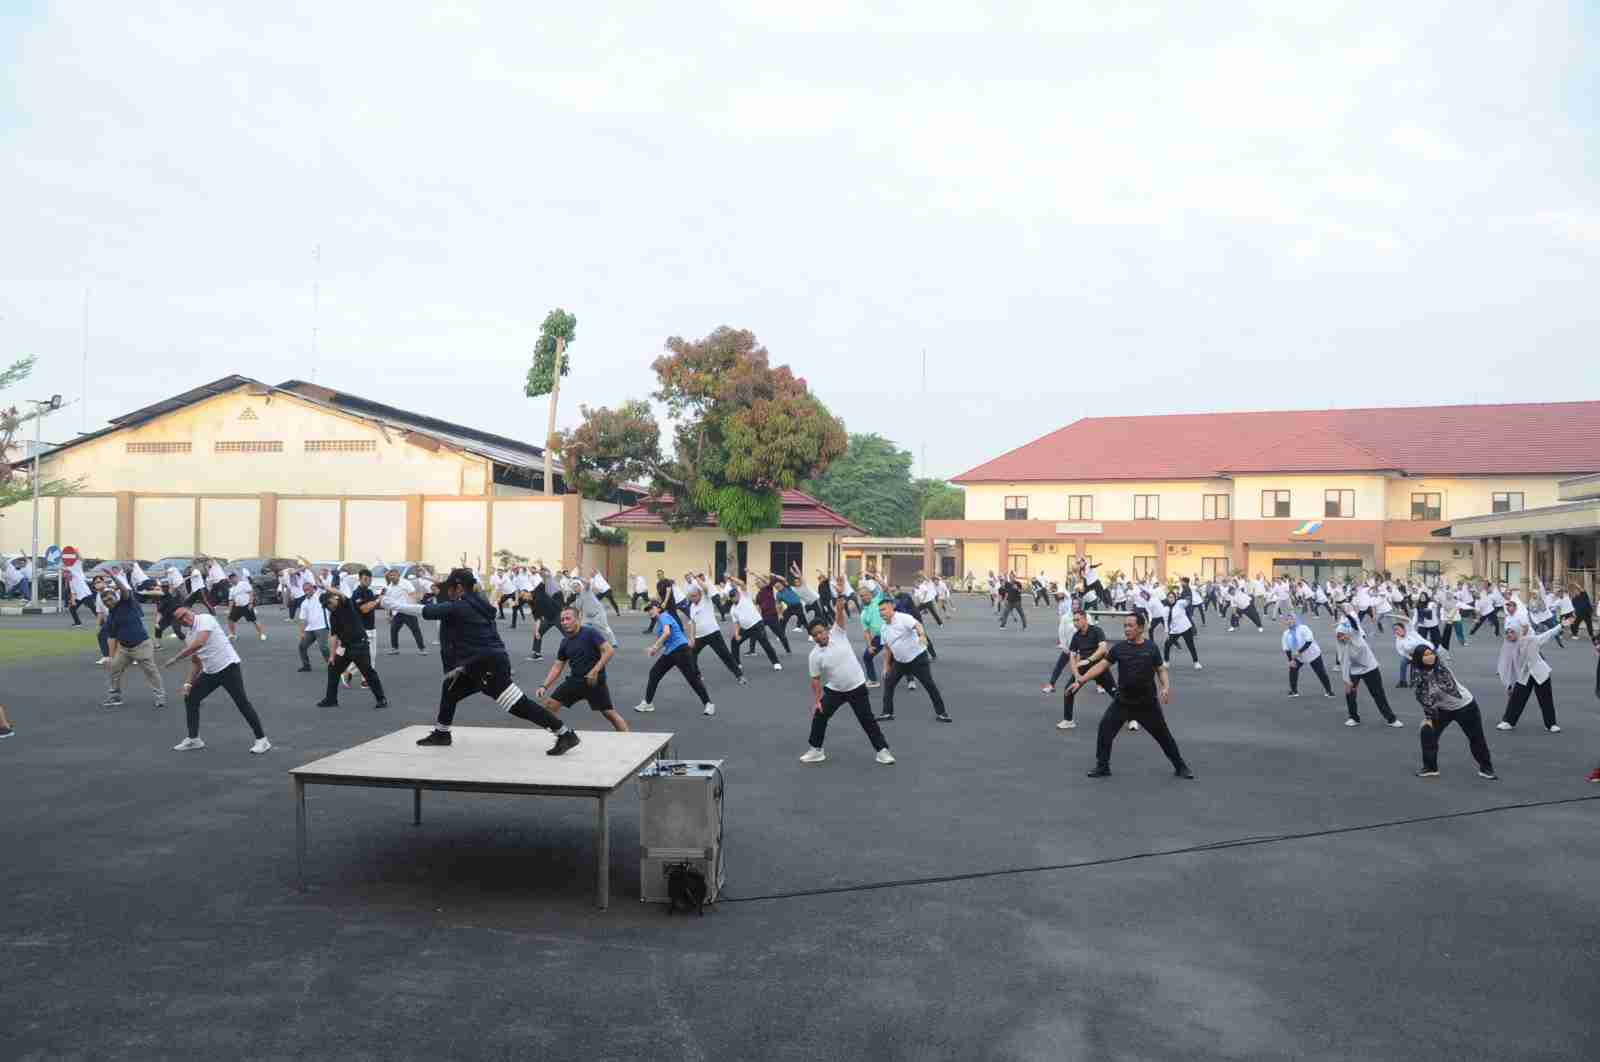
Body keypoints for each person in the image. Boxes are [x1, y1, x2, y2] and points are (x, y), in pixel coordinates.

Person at [392, 569, 579, 753]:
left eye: (450, 587)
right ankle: (442, 733)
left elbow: (426, 610)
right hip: (479, 663)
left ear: (458, 588)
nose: (446, 591)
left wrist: (393, 604)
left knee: (518, 705)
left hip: (487, 665)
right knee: (450, 688)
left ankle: (565, 734)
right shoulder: (477, 603)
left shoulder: (462, 606)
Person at [1071, 614, 1194, 779]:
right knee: (1104, 731)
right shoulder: (1119, 648)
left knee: (1164, 737)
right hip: (1123, 702)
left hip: (1147, 704)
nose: (1127, 629)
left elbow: (1161, 669)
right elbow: (1101, 665)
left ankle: (1181, 767)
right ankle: (1102, 767)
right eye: (1125, 626)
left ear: (1141, 628)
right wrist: (1081, 680)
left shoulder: (1151, 648)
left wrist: (1165, 687)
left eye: (1130, 626)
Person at [801, 587, 894, 765]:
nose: (820, 636)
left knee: (867, 720)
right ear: (812, 638)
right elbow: (815, 679)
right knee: (820, 716)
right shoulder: (814, 656)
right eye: (815, 635)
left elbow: (839, 614)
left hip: (857, 686)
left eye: (821, 632)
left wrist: (840, 595)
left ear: (827, 630)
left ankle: (882, 751)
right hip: (835, 690)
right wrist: (818, 700)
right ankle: (816, 750)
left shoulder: (838, 633)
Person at [163, 605, 271, 754]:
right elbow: (196, 661)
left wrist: (176, 658)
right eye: (180, 619)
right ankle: (194, 739)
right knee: (191, 698)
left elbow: (200, 642)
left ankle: (262, 740)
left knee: (242, 702)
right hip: (211, 673)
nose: (184, 619)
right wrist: (188, 683)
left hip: (228, 667)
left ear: (191, 612)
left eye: (185, 615)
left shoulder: (205, 619)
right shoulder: (189, 637)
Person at [531, 606, 630, 732]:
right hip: (575, 681)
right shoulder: (565, 642)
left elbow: (609, 651)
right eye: (562, 620)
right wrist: (544, 686)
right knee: (550, 706)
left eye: (568, 619)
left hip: (594, 682)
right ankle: (563, 736)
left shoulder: (590, 633)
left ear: (578, 619)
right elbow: (558, 666)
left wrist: (595, 671)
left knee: (609, 713)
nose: (565, 622)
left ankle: (628, 738)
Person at [1409, 645, 1497, 780]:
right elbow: (1422, 696)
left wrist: (1449, 624)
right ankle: (1430, 768)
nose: (1430, 657)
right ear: (1419, 659)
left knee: (1476, 738)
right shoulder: (1417, 673)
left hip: (1465, 706)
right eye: (1425, 655)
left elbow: (1444, 644)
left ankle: (1486, 768)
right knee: (1427, 733)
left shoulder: (1441, 666)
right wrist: (1428, 716)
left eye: (1431, 653)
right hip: (1442, 709)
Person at [875, 596, 952, 723]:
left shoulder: (903, 618)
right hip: (900, 663)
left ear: (891, 607)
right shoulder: (884, 628)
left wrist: (922, 635)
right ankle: (887, 713)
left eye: (883, 609)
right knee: (888, 684)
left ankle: (942, 713)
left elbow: (918, 625)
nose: (881, 613)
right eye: (880, 611)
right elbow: (888, 649)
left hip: (918, 659)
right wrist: (886, 666)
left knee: (929, 685)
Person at [634, 600, 716, 716]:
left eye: (651, 609)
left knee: (692, 678)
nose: (649, 612)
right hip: (671, 652)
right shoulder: (661, 620)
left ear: (658, 607)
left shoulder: (664, 616)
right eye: (647, 610)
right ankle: (648, 703)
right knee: (654, 673)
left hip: (681, 650)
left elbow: (667, 633)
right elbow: (665, 639)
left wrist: (654, 646)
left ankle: (709, 704)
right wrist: (655, 650)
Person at [314, 584, 389, 710]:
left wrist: (326, 587)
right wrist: (332, 656)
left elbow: (340, 594)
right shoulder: (333, 616)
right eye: (325, 606)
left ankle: (381, 699)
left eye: (328, 604)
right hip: (346, 648)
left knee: (368, 673)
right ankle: (331, 699)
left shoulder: (346, 605)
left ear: (334, 599)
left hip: (360, 645)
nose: (328, 607)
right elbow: (333, 636)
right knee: (333, 668)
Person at [100, 582, 165, 710]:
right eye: (105, 599)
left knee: (151, 672)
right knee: (114, 669)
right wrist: (110, 657)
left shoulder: (126, 603)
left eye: (110, 597)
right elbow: (112, 637)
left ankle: (160, 697)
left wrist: (114, 578)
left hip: (141, 645)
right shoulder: (110, 617)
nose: (108, 601)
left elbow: (124, 590)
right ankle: (115, 696)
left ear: (116, 597)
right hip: (124, 649)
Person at [1048, 608, 1115, 730]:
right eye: (1074, 620)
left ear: (1084, 619)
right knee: (1069, 690)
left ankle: (1132, 718)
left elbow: (1103, 649)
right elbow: (1072, 657)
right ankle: (1068, 721)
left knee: (1116, 694)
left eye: (1077, 620)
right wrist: (1077, 675)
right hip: (1083, 668)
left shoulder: (1096, 631)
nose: (1075, 623)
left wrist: (1089, 660)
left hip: (1099, 667)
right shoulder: (1076, 636)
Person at [1496, 618, 1562, 732]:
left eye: (1512, 632)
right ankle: (1508, 722)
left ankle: (1551, 724)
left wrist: (1561, 625)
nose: (1509, 635)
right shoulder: (1507, 646)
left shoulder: (1531, 640)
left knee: (1545, 699)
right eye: (1507, 632)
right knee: (1516, 698)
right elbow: (1506, 667)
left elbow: (1548, 634)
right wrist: (1509, 684)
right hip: (1523, 675)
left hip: (1540, 673)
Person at [1334, 620, 1403, 728]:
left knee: (1378, 694)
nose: (1341, 638)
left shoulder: (1356, 636)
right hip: (1354, 671)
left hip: (1370, 668)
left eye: (1343, 635)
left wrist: (1347, 615)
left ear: (1349, 633)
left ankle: (1391, 719)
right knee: (1350, 694)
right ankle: (1354, 717)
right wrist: (1347, 681)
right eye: (1338, 636)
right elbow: (1344, 664)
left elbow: (1354, 625)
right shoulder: (1341, 646)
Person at [685, 584, 746, 685]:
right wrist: (691, 638)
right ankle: (697, 675)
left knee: (725, 655)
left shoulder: (706, 599)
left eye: (695, 595)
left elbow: (705, 588)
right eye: (691, 596)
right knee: (691, 654)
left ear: (699, 595)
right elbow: (693, 623)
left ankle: (739, 675)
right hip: (699, 637)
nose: (693, 598)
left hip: (713, 634)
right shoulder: (692, 607)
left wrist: (697, 579)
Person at [1280, 614, 1334, 698]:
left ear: (1295, 620)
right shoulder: (1286, 634)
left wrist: (1299, 652)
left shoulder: (1303, 628)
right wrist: (1290, 660)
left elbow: (1309, 641)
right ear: (1285, 622)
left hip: (1313, 654)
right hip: (1299, 657)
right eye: (1287, 620)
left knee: (1321, 672)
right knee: (1293, 670)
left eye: (1291, 619)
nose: (1289, 621)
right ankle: (1294, 691)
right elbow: (1287, 648)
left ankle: (1329, 691)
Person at [1160, 591, 1201, 669]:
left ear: (1175, 598)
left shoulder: (1179, 603)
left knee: (1191, 646)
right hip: (1174, 631)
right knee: (1167, 645)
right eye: (1169, 597)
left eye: (1172, 597)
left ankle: (1196, 662)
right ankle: (1166, 662)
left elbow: (1187, 602)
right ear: (1167, 598)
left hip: (1185, 628)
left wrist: (1187, 598)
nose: (1171, 599)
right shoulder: (1166, 609)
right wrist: (1166, 633)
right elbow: (1165, 621)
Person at [295, 587, 331, 672]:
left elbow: (322, 585)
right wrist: (302, 632)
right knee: (302, 646)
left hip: (322, 627)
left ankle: (332, 665)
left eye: (309, 589)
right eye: (305, 590)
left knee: (323, 647)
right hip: (310, 629)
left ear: (313, 590)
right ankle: (306, 666)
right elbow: (302, 619)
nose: (307, 592)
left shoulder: (319, 596)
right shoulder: (304, 603)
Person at [224, 572, 266, 642]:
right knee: (230, 620)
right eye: (231, 579)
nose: (232, 580)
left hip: (246, 605)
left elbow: (251, 593)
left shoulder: (244, 584)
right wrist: (229, 610)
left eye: (234, 578)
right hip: (237, 607)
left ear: (237, 578)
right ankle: (233, 634)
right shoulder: (231, 589)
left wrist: (250, 603)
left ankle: (261, 634)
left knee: (254, 620)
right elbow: (231, 601)